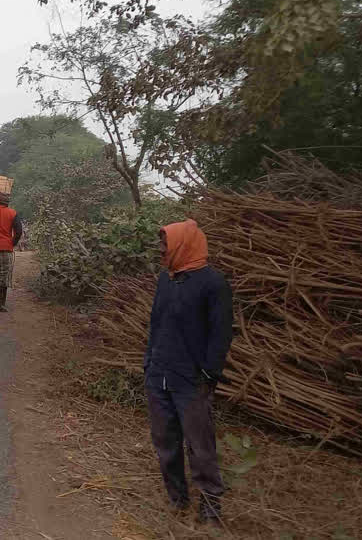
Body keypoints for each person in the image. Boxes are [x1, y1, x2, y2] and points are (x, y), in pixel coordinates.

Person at [144, 219, 233, 524]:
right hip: (159, 375)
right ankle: (178, 498)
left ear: (182, 243)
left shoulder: (213, 283)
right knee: (164, 441)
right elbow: (155, 324)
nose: (160, 249)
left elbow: (221, 335)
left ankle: (210, 506)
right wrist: (149, 363)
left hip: (191, 380)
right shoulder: (166, 279)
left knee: (199, 445)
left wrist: (209, 374)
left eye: (164, 243)